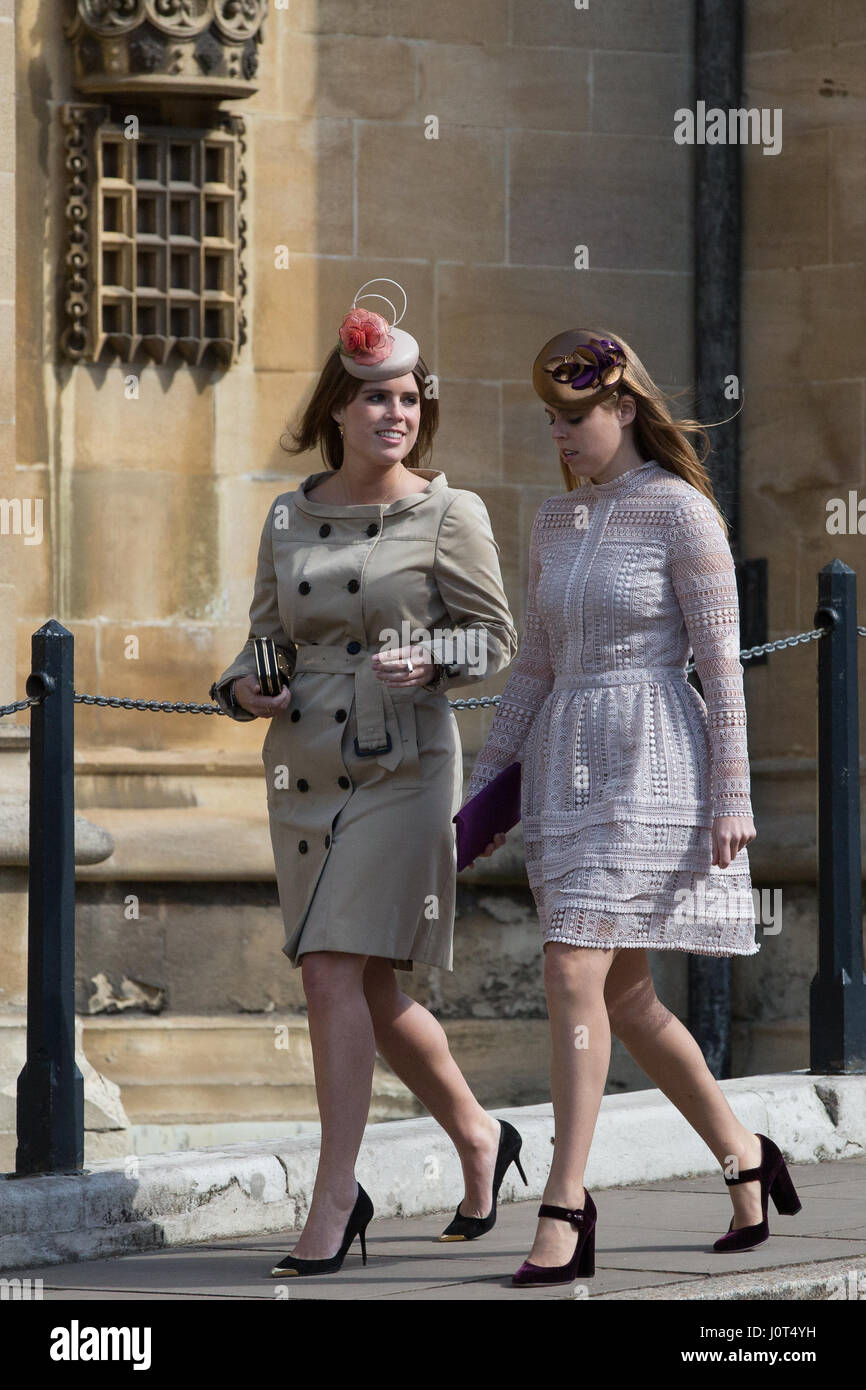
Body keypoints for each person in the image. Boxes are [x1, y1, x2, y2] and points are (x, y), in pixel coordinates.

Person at [461, 329, 802, 1288]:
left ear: (623, 408)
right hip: (569, 759)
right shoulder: (552, 525)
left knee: (572, 963)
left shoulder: (683, 513)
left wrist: (734, 794)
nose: (560, 437)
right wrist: (484, 792)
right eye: (551, 422)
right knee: (628, 996)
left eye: (574, 419)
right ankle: (746, 1155)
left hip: (655, 756)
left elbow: (722, 666)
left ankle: (566, 1204)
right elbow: (533, 666)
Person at [210, 280, 524, 1277]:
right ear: (336, 411)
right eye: (375, 396)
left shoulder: (449, 511)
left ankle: (336, 1194)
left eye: (409, 397)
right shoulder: (286, 517)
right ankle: (481, 1136)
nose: (395, 412)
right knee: (371, 986)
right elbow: (264, 644)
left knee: (329, 970)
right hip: (302, 775)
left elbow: (496, 641)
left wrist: (431, 651)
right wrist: (236, 687)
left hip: (405, 768)